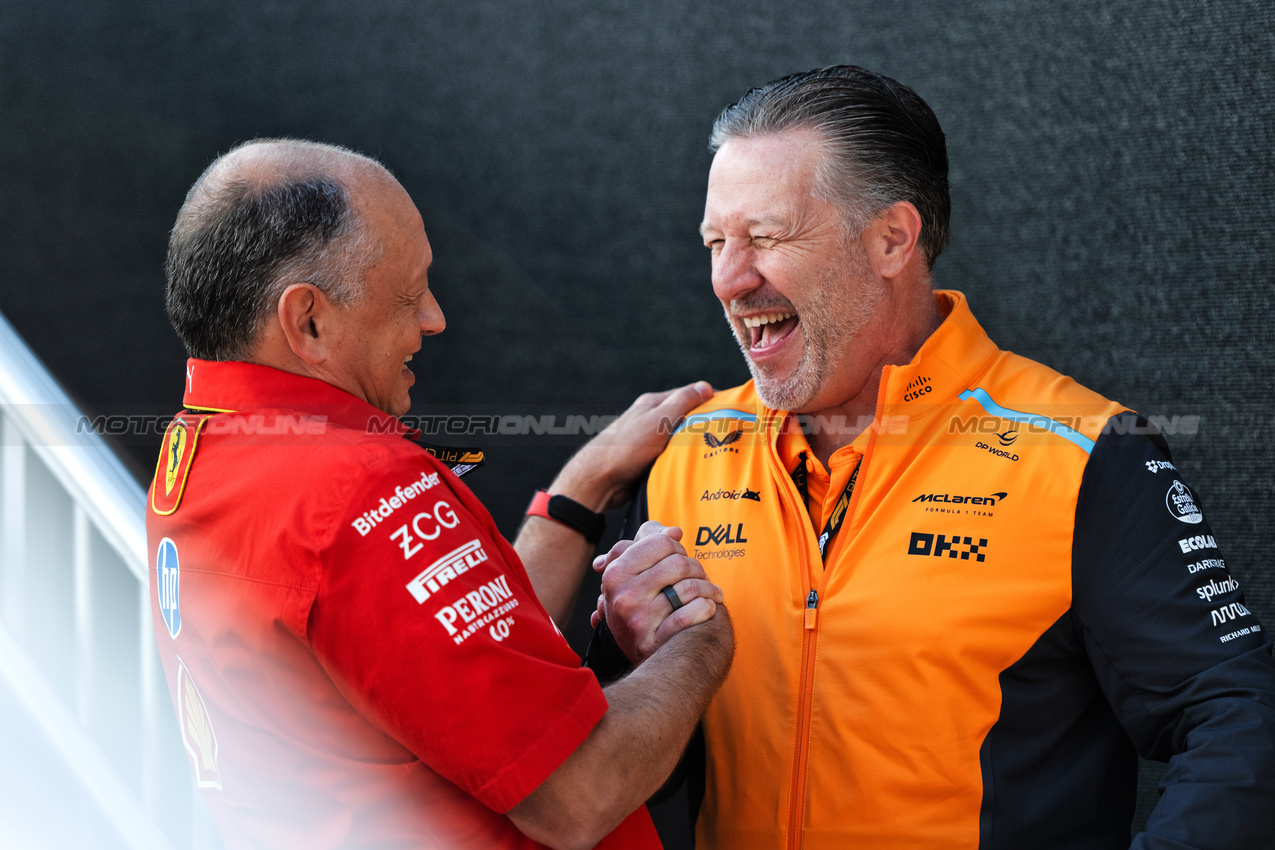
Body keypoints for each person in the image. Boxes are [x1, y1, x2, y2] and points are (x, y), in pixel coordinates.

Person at [588, 66, 1275, 848]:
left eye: (766, 237)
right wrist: (620, 659)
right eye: (715, 242)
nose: (728, 279)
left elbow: (1236, 720)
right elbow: (639, 774)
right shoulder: (690, 454)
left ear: (891, 238)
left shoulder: (1082, 455)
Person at [148, 138, 734, 850]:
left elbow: (450, 681)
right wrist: (701, 638)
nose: (433, 318)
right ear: (308, 322)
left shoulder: (202, 455)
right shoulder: (357, 493)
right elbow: (576, 794)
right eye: (407, 293)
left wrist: (578, 494)